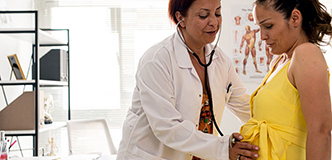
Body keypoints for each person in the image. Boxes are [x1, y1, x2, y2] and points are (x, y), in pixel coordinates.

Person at [117, 0, 260, 159]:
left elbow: (246, 106)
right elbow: (167, 127)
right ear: (180, 18)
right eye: (203, 15)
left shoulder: (220, 61)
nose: (214, 22)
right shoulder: (157, 61)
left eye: (218, 13)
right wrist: (224, 148)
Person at [239, 0, 332, 159]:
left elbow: (321, 131)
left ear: (295, 18)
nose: (262, 36)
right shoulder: (278, 61)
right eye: (258, 27)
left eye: (268, 26)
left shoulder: (306, 54)